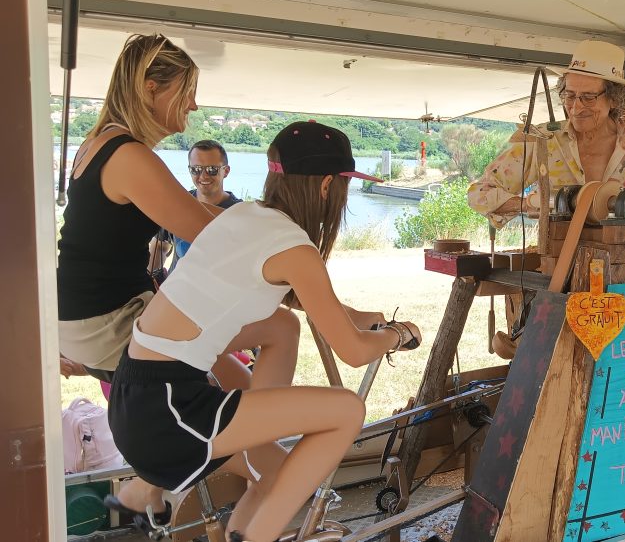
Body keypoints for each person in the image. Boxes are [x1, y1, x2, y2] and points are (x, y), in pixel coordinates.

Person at [108, 121, 422, 542]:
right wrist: (399, 335)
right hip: (169, 411)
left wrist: (360, 316)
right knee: (347, 410)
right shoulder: (295, 248)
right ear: (326, 185)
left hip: (133, 392)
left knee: (282, 326)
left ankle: (242, 503)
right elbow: (353, 351)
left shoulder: (245, 216)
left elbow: (297, 299)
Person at [55, 33, 291, 528]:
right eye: (187, 92)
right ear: (149, 88)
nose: (194, 105)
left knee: (246, 373)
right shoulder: (128, 155)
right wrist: (289, 254)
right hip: (109, 319)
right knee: (280, 331)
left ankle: (156, 485)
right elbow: (210, 235)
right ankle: (180, 480)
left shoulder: (101, 146)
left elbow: (195, 216)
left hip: (90, 316)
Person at [467, 39, 625, 246]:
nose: (576, 107)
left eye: (588, 97)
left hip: (622, 267)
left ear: (614, 99)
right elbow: (479, 193)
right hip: (556, 263)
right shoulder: (542, 139)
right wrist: (534, 204)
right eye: (570, 96)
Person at [157, 139, 242, 272]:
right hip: (176, 284)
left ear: (226, 171)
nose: (203, 176)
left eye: (212, 169)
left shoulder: (239, 212)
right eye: (196, 169)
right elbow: (160, 246)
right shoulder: (178, 202)